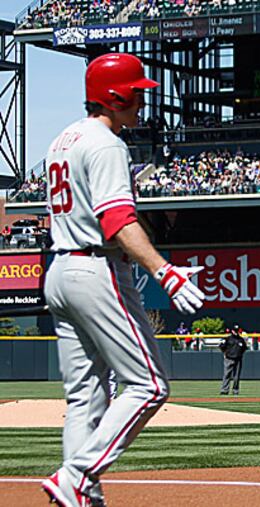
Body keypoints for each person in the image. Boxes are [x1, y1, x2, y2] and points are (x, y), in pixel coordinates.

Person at [41, 53, 205, 507]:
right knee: (149, 385)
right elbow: (116, 220)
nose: (142, 100)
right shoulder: (107, 142)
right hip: (96, 268)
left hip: (59, 270)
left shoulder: (62, 138)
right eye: (137, 93)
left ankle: (82, 495)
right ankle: (77, 476)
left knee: (84, 398)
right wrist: (163, 270)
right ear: (115, 96)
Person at [219, 324, 247, 395]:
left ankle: (235, 390)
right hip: (229, 358)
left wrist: (240, 355)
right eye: (235, 330)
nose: (236, 332)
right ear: (232, 331)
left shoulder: (241, 340)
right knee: (226, 375)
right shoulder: (228, 339)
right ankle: (224, 390)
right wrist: (225, 353)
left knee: (236, 376)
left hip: (238, 359)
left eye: (237, 330)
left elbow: (244, 348)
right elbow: (222, 346)